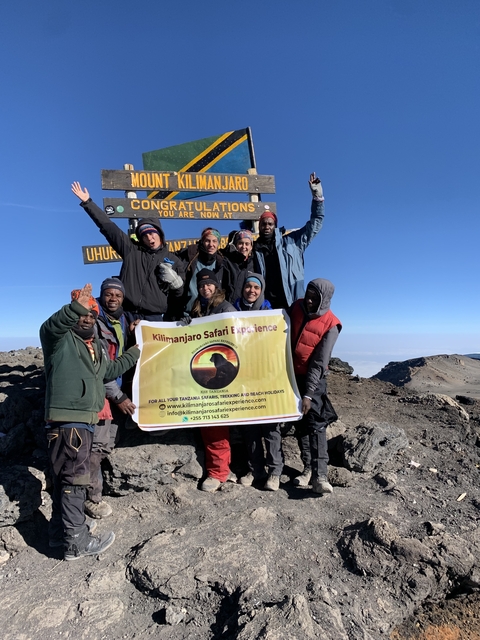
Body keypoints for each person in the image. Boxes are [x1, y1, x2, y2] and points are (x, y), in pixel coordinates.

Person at [40, 284, 140, 560]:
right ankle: (76, 542)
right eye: (83, 314)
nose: (87, 318)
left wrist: (137, 350)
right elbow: (53, 325)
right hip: (68, 420)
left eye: (92, 315)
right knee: (75, 480)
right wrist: (77, 306)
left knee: (65, 478)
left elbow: (112, 369)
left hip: (83, 421)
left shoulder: (95, 346)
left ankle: (59, 534)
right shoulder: (59, 340)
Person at [72, 182, 185, 320]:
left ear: (160, 234)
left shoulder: (175, 261)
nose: (150, 238)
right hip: (125, 314)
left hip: (154, 318)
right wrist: (88, 203)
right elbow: (108, 228)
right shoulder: (132, 250)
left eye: (152, 233)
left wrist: (177, 284)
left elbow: (180, 296)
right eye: (145, 235)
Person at [84, 277, 136, 519]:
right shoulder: (93, 323)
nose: (113, 298)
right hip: (101, 393)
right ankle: (92, 498)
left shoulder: (122, 320)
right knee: (97, 447)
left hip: (115, 389)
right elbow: (99, 368)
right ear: (101, 296)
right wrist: (119, 397)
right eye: (109, 294)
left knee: (104, 443)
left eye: (118, 295)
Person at [289, 278, 342, 494]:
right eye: (308, 295)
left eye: (314, 298)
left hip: (314, 379)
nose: (309, 301)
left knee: (316, 424)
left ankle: (321, 476)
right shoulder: (296, 307)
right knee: (300, 424)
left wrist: (309, 394)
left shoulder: (331, 324)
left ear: (324, 299)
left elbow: (319, 362)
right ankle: (307, 470)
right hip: (291, 375)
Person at [233, 274, 284, 491]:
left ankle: (275, 472)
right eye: (248, 286)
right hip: (242, 377)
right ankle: (256, 470)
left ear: (261, 290)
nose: (251, 291)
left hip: (266, 376)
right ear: (242, 288)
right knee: (249, 428)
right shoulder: (232, 311)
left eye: (256, 287)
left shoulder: (270, 313)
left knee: (271, 426)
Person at [189, 269, 236, 492]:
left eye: (209, 285)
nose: (205, 288)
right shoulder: (198, 309)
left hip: (227, 380)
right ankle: (224, 468)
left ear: (216, 286)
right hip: (211, 378)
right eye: (201, 285)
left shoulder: (225, 309)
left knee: (214, 423)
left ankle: (218, 473)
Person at [254, 173, 324, 309]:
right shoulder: (254, 249)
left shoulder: (293, 242)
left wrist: (317, 196)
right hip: (267, 308)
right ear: (259, 226)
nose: (266, 226)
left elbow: (316, 222)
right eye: (263, 224)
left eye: (270, 223)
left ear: (275, 225)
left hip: (293, 305)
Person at [176, 227, 226, 313]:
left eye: (214, 241)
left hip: (213, 313)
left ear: (218, 243)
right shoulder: (189, 257)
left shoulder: (221, 263)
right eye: (207, 241)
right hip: (187, 312)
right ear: (202, 242)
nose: (211, 244)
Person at [223, 229, 261, 304]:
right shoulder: (227, 262)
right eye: (240, 243)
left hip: (248, 308)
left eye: (247, 244)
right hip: (229, 307)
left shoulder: (256, 263)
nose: (244, 247)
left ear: (251, 247)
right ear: (236, 245)